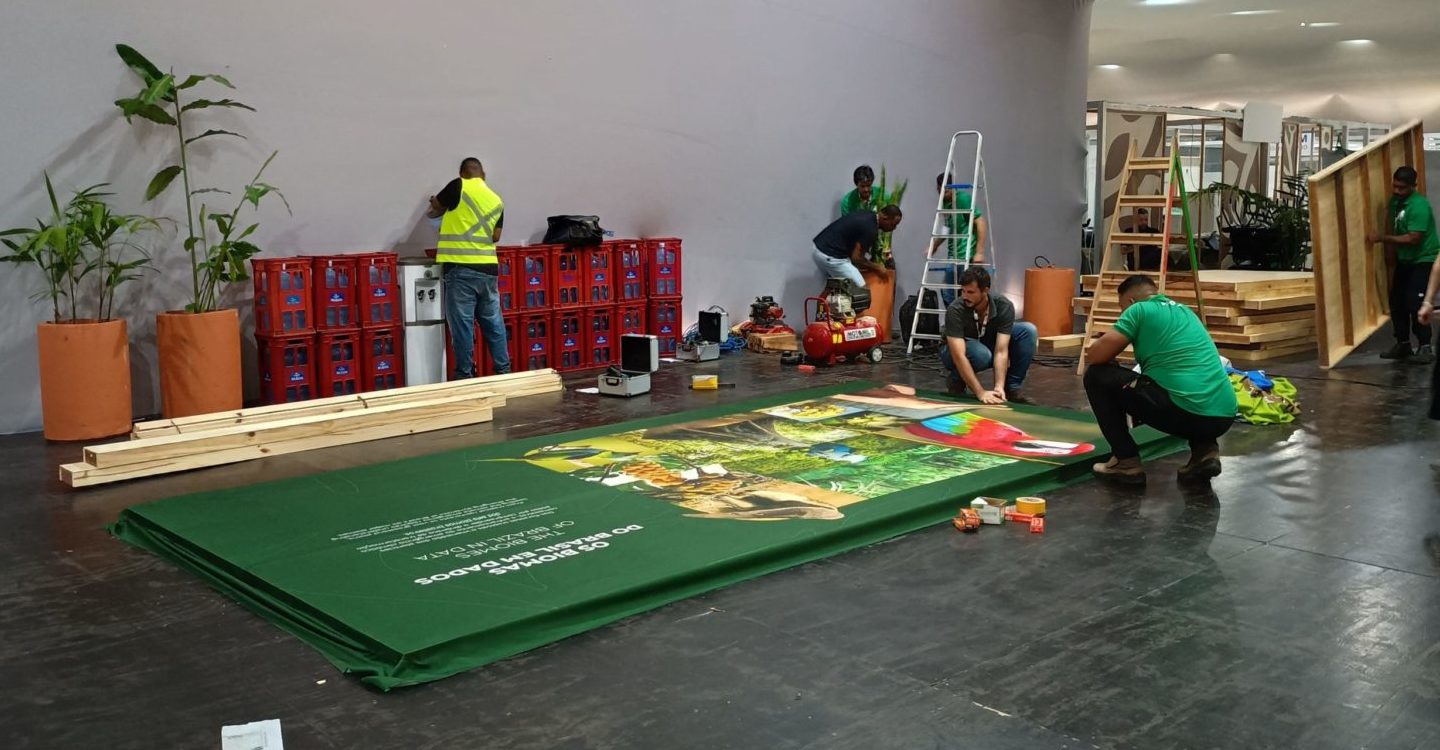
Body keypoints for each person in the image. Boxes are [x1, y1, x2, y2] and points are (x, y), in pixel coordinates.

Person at [1083, 275, 1237, 484]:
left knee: (1097, 375)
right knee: (1188, 387)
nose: (1122, 313)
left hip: (1185, 412)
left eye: (1121, 308)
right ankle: (1205, 452)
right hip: (1224, 416)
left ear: (1130, 302)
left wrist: (1096, 346)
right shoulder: (1185, 311)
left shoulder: (1138, 310)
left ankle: (1125, 461)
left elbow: (1096, 356)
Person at [429, 157, 511, 378]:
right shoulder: (496, 200)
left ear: (462, 172)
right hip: (488, 269)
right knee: (494, 323)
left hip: (460, 268)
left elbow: (435, 207)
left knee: (462, 326)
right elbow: (495, 236)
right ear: (483, 174)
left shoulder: (458, 186)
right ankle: (503, 370)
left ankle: (465, 375)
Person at [1369, 166, 1440, 363]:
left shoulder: (1419, 206)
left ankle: (1425, 347)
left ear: (1412, 186)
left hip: (1423, 259)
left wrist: (1382, 238)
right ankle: (1403, 343)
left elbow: (1414, 238)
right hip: (1406, 260)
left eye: (1402, 188)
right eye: (1395, 186)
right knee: (1396, 301)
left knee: (1414, 302)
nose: (1397, 191)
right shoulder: (1395, 203)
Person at [939, 267, 1036, 405]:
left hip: (985, 341)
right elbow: (958, 356)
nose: (965, 296)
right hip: (952, 350)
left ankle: (1011, 388)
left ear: (985, 291)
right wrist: (980, 392)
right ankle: (956, 379)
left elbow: (1001, 350)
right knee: (981, 355)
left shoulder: (1003, 306)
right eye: (963, 291)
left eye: (971, 292)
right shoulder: (955, 310)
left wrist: (999, 386)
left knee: (1028, 331)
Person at [928, 173, 987, 304]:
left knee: (967, 292)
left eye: (946, 191)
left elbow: (980, 222)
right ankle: (955, 320)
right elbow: (947, 227)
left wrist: (979, 252)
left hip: (966, 254)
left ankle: (966, 322)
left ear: (953, 188)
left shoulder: (962, 199)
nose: (943, 194)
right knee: (948, 292)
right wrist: (935, 245)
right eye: (940, 191)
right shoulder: (944, 203)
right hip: (953, 255)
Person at [812, 205, 902, 288]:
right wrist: (877, 268)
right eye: (893, 224)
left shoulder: (868, 214)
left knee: (835, 288)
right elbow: (856, 258)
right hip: (831, 256)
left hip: (818, 248)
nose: (894, 228)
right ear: (885, 218)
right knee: (861, 290)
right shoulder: (870, 229)